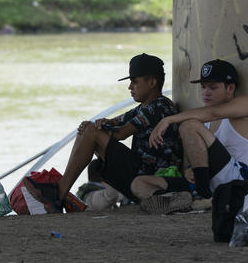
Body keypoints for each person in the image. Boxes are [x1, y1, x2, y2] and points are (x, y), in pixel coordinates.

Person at [38, 53, 183, 213]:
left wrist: (95, 130)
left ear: (152, 82)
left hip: (149, 180)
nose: (130, 87)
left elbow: (121, 134)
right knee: (88, 129)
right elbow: (115, 121)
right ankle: (60, 191)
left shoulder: (159, 107)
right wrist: (97, 125)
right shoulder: (143, 108)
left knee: (91, 132)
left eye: (135, 82)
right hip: (139, 171)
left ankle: (59, 193)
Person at [135, 59, 248, 214]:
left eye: (213, 87)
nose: (206, 92)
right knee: (139, 183)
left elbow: (212, 113)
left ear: (230, 88)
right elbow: (195, 156)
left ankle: (201, 196)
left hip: (240, 183)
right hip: (211, 181)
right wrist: (189, 170)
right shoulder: (204, 118)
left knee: (189, 125)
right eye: (203, 87)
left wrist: (167, 119)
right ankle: (180, 201)